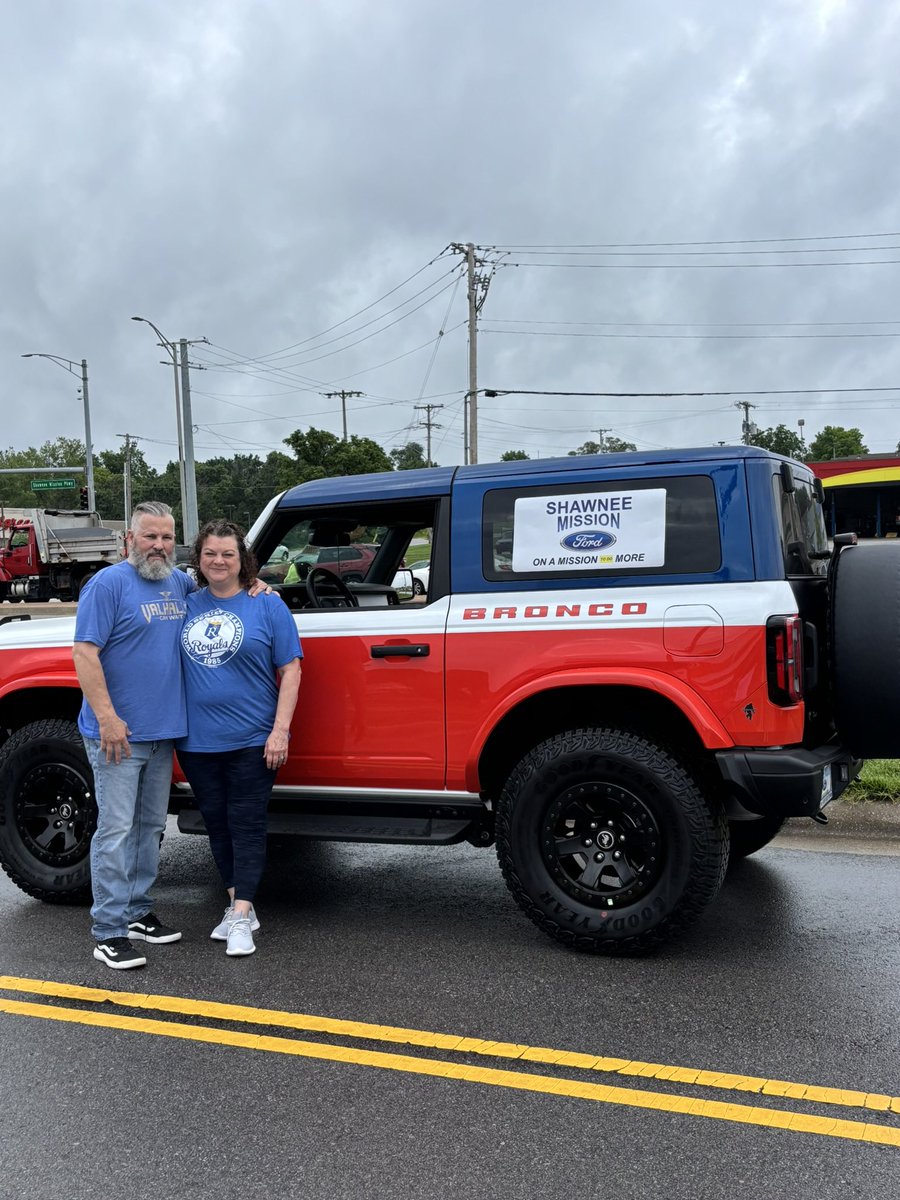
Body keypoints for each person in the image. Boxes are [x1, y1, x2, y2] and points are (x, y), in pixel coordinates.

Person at [73, 501, 192, 970]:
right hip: (117, 735)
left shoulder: (178, 582)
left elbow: (222, 589)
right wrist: (106, 717)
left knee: (149, 828)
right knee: (116, 831)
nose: (160, 545)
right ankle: (108, 931)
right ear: (130, 538)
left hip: (162, 732)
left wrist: (257, 586)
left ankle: (139, 911)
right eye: (150, 537)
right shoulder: (108, 585)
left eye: (166, 537)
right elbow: (85, 653)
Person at [175, 519, 302, 958]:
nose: (219, 561)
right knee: (218, 825)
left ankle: (244, 914)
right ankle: (235, 905)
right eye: (210, 553)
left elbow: (291, 671)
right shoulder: (185, 605)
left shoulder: (267, 605)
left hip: (253, 738)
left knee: (246, 824)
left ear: (242, 559)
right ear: (199, 558)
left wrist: (279, 731)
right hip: (197, 742)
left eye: (228, 553)